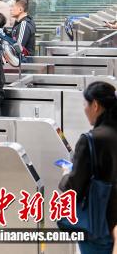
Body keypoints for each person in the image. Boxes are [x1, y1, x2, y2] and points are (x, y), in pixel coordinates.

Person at [59, 81, 117, 254]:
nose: (84, 109)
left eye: (85, 104)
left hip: (98, 225)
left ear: (95, 105)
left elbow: (73, 187)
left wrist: (66, 174)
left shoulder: (90, 139)